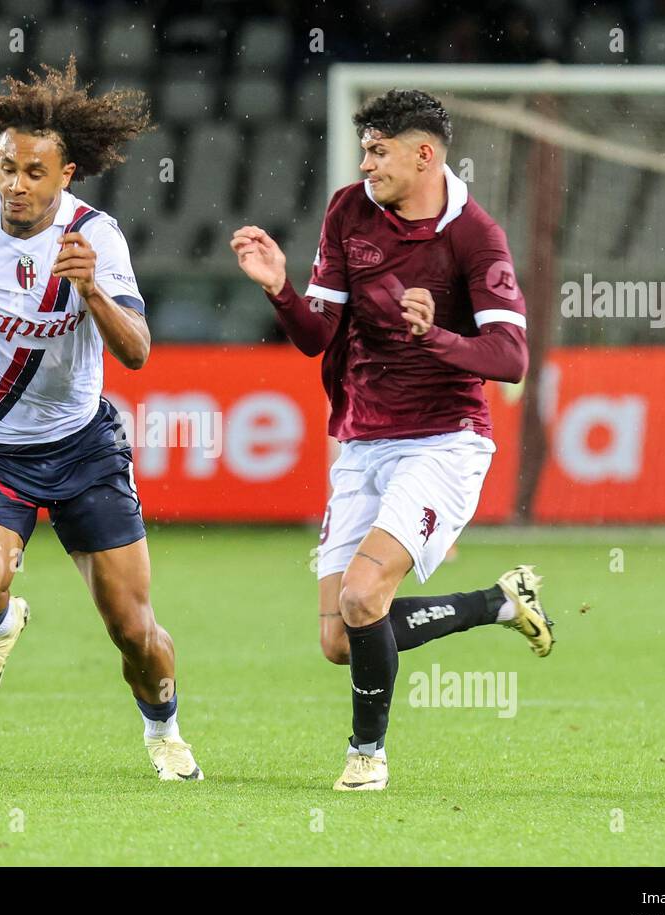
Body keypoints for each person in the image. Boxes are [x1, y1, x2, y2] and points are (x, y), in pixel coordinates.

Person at [0, 60, 202, 782]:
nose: (15, 184)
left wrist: (91, 293)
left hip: (84, 448)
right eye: (6, 168)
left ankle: (164, 730)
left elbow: (137, 353)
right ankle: (1, 624)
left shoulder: (96, 241)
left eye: (33, 172)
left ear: (66, 174)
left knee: (134, 632)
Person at [232, 89, 554, 791]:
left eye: (379, 150)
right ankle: (497, 602)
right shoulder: (349, 210)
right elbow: (317, 335)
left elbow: (511, 359)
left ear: (424, 154)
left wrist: (433, 335)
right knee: (339, 638)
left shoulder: (475, 236)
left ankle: (367, 755)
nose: (366, 162)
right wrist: (281, 289)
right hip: (361, 440)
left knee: (362, 593)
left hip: (443, 442)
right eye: (365, 149)